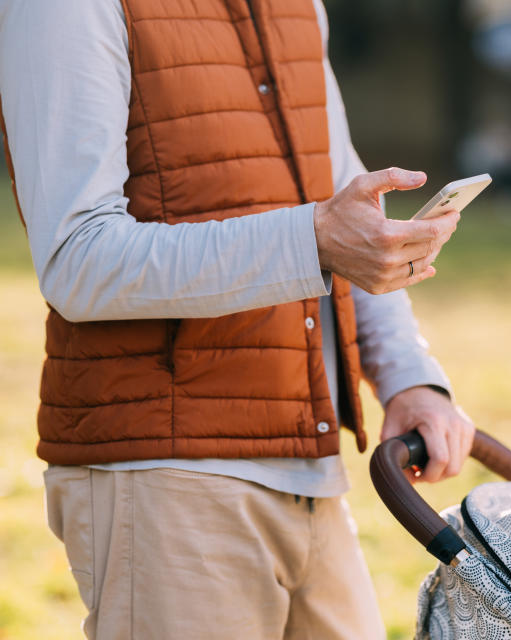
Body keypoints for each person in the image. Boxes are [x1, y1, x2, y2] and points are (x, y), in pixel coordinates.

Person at [0, 0, 475, 638]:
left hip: (310, 469)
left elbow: (346, 210)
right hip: (164, 477)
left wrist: (409, 376)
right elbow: (76, 260)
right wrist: (312, 242)